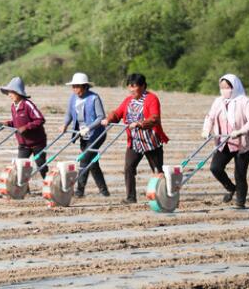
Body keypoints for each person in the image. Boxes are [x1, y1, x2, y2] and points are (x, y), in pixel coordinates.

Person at [102, 73, 169, 204]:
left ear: (143, 86)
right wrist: (108, 119)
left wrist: (140, 123)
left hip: (151, 141)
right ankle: (131, 197)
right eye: (129, 86)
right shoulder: (128, 101)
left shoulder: (151, 99)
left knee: (157, 170)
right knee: (129, 168)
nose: (131, 89)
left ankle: (166, 195)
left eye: (134, 86)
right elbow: (117, 113)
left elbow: (155, 118)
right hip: (135, 141)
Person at [202, 74, 249, 209]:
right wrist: (206, 130)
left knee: (240, 174)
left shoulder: (244, 101)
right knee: (215, 168)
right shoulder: (218, 101)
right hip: (224, 141)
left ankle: (240, 202)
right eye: (222, 88)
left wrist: (240, 131)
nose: (224, 90)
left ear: (234, 87)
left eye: (227, 87)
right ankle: (231, 188)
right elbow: (210, 117)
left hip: (242, 143)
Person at [59, 73, 109, 197]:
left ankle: (79, 190)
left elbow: (101, 117)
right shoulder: (73, 98)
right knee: (92, 163)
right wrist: (65, 124)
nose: (75, 89)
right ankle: (104, 191)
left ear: (85, 86)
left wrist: (89, 127)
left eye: (77, 87)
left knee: (84, 160)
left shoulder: (94, 98)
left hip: (96, 134)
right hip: (82, 134)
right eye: (73, 87)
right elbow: (69, 114)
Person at [0, 77, 48, 179]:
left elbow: (40, 119)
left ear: (18, 92)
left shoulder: (27, 104)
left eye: (11, 92)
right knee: (21, 166)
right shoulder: (13, 106)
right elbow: (16, 123)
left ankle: (47, 182)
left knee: (41, 165)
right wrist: (7, 123)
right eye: (8, 93)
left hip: (37, 142)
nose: (9, 95)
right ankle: (24, 188)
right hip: (23, 143)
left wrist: (26, 127)